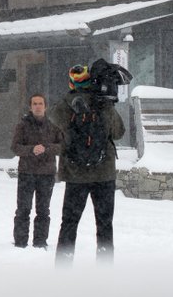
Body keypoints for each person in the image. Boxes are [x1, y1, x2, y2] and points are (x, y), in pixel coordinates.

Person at [47, 63, 126, 264]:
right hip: (104, 174)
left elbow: (53, 117)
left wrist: (71, 98)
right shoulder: (104, 103)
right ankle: (105, 268)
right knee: (105, 223)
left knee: (69, 222)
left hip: (75, 174)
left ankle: (63, 267)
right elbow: (119, 132)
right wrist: (107, 105)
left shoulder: (66, 103)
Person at [9, 93, 63, 249]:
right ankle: (20, 242)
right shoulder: (22, 125)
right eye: (35, 104)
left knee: (43, 210)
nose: (38, 106)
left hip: (46, 174)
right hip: (27, 172)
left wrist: (46, 149)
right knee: (23, 209)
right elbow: (15, 147)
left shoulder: (53, 126)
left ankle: (40, 242)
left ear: (45, 106)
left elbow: (62, 146)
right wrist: (31, 149)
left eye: (40, 103)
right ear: (30, 107)